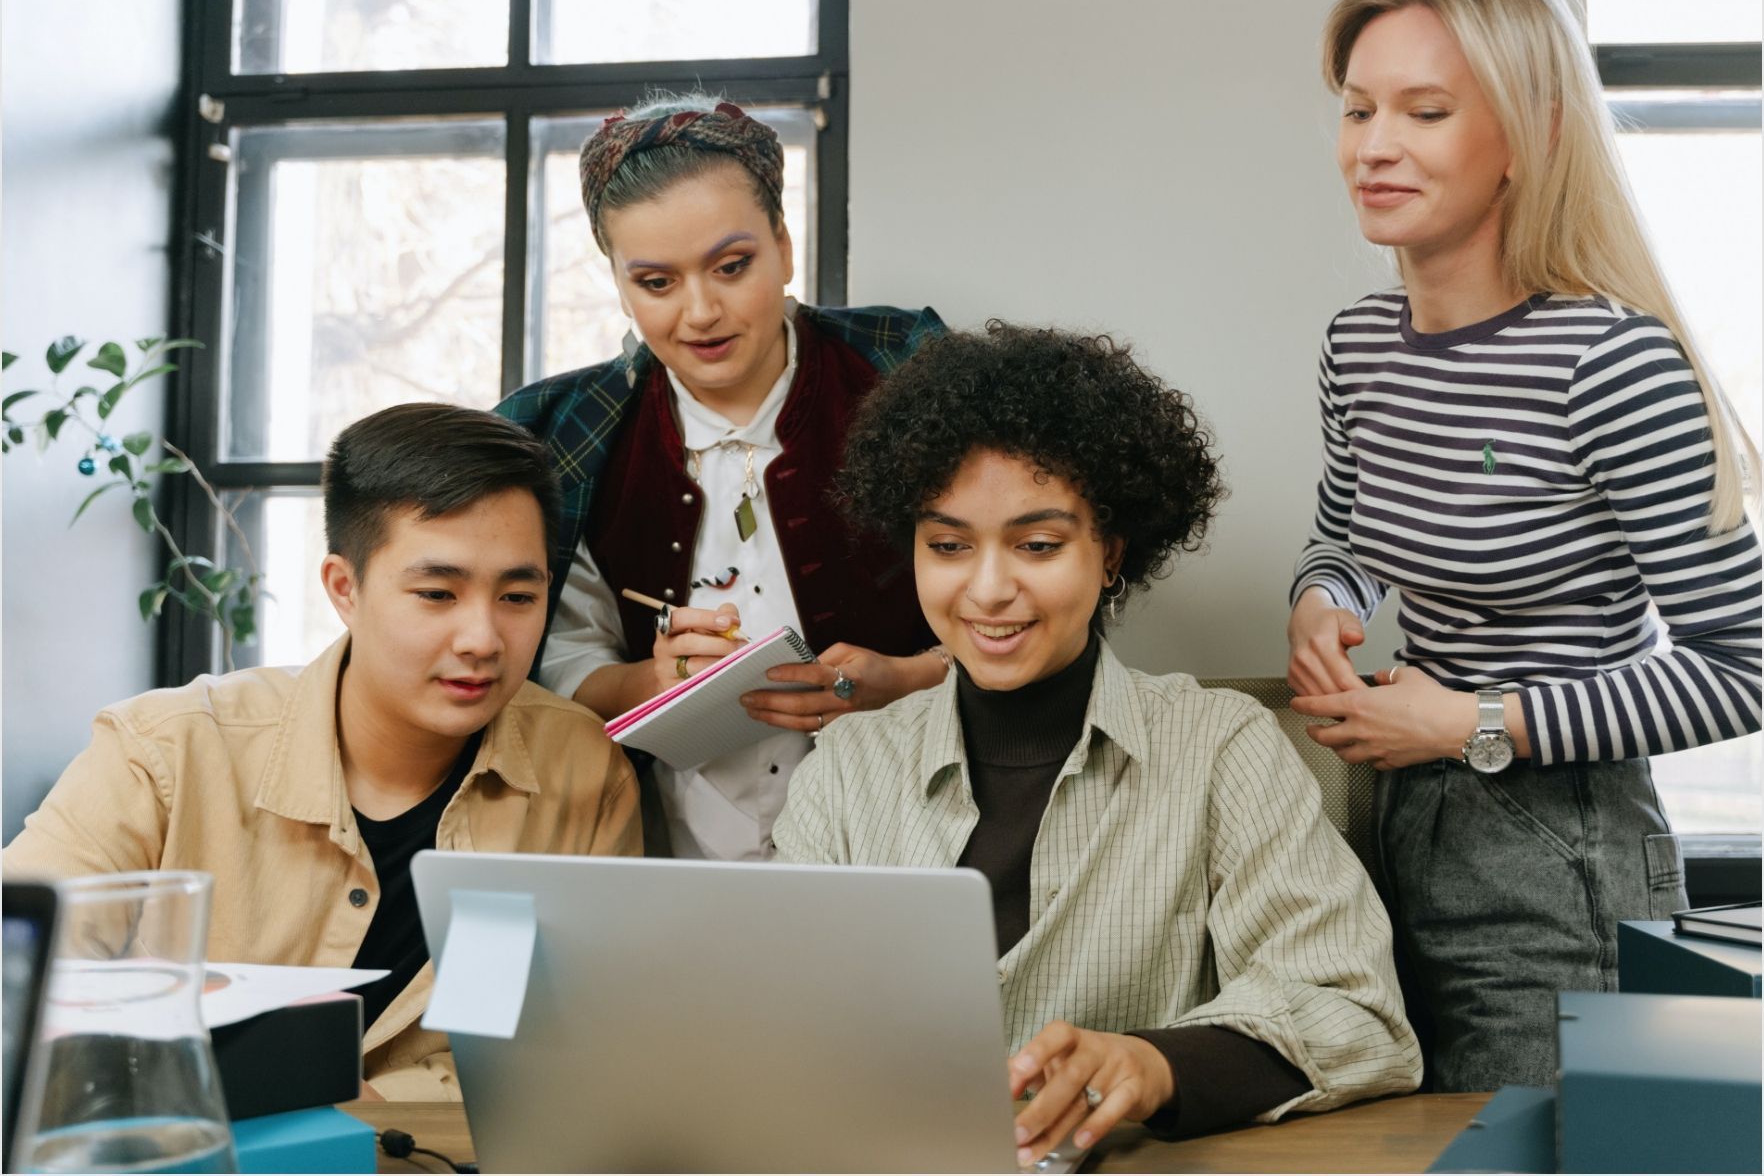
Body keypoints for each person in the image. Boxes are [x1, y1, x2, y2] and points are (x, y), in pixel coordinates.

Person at [1285, 0, 1763, 1093]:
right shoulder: (1362, 343)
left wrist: (1470, 722)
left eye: (1427, 110)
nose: (1374, 144)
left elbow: (1745, 667)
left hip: (1566, 843)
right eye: (1358, 108)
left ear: (1529, 131)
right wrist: (1322, 601)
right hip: (1404, 816)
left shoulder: (1612, 363)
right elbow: (1344, 535)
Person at [773, 324, 1421, 1164]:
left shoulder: (1220, 748)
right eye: (948, 546)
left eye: (1038, 545)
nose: (990, 588)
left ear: (1110, 552)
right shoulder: (850, 770)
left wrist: (1150, 1065)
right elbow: (779, 1024)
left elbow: (1358, 1017)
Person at [2, 404, 641, 1100]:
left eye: (519, 595)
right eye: (437, 593)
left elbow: (580, 1053)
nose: (483, 638)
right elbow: (15, 979)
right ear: (345, 588)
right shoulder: (165, 752)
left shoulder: (581, 771)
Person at [497, 93, 949, 862]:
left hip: (915, 835)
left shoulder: (908, 373)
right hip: (667, 853)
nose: (700, 311)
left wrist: (905, 683)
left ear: (783, 244)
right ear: (618, 280)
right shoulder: (563, 431)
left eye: (731, 266)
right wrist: (647, 680)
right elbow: (558, 659)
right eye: (656, 282)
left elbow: (1032, 595)